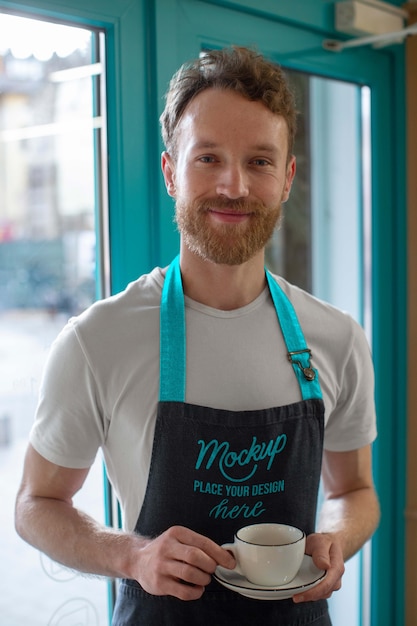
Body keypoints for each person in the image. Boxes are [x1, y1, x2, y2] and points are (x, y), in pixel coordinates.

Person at [15, 46, 380, 625]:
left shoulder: (336, 338)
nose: (233, 186)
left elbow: (355, 491)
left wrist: (336, 538)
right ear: (170, 172)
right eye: (208, 157)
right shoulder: (97, 339)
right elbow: (35, 504)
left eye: (259, 161)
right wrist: (132, 555)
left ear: (287, 178)